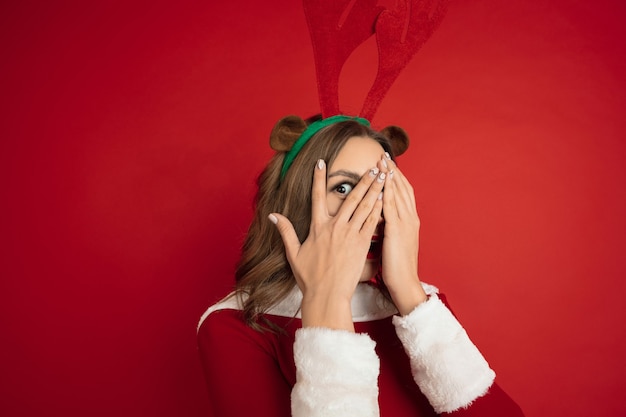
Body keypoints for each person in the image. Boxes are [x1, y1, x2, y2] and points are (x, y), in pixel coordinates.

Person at [197, 115, 525, 417]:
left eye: (383, 189)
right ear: (297, 203)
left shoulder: (422, 310)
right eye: (343, 188)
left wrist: (410, 292)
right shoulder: (234, 326)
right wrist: (326, 303)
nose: (374, 210)